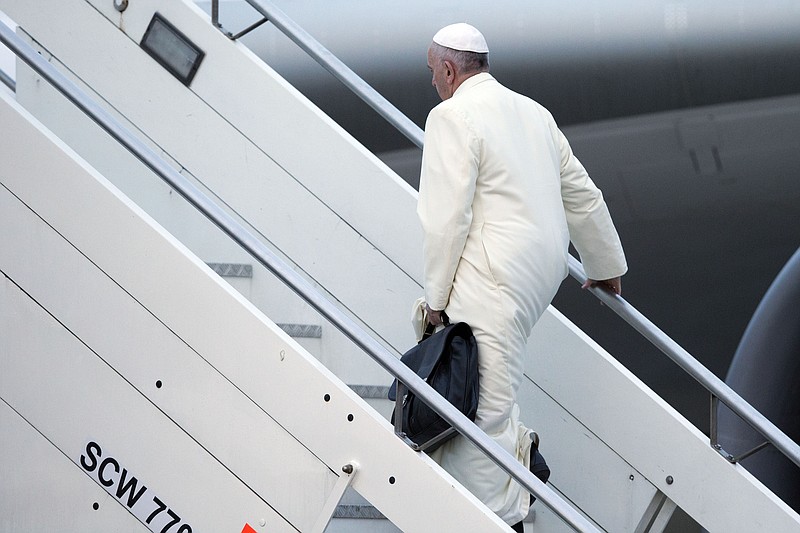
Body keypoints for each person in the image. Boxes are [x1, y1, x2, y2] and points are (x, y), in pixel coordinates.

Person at [417, 22, 628, 529]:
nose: (432, 83)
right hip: (536, 280)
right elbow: (581, 193)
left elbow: (446, 219)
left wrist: (436, 299)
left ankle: (499, 518)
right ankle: (519, 483)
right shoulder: (534, 113)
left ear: (449, 70)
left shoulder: (451, 115)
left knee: (481, 413)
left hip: (488, 276)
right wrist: (604, 266)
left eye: (432, 73)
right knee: (496, 387)